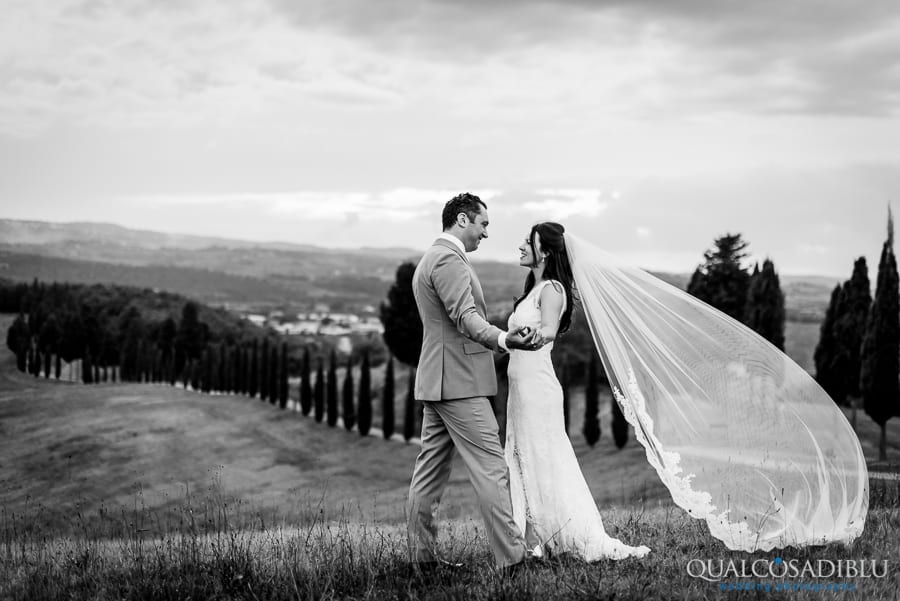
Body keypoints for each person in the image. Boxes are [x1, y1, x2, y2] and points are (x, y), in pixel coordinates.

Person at [406, 193, 542, 574]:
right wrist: (504, 339)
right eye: (483, 224)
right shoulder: (449, 259)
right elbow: (465, 316)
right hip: (459, 384)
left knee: (429, 473)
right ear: (462, 220)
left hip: (439, 381)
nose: (486, 233)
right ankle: (512, 561)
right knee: (491, 468)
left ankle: (423, 562)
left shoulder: (430, 258)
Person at [505, 221, 650, 561]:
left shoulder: (553, 288)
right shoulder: (533, 286)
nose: (523, 246)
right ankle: (529, 538)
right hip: (521, 389)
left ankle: (567, 534)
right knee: (522, 459)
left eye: (530, 241)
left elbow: (551, 329)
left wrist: (530, 338)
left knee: (544, 458)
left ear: (546, 251)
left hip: (537, 389)